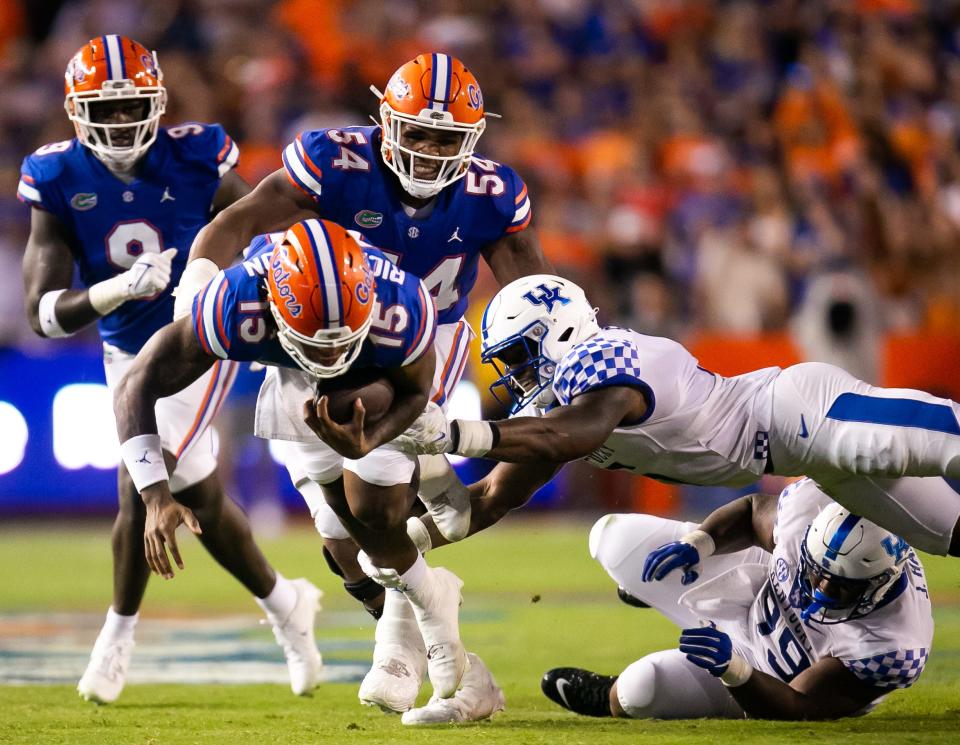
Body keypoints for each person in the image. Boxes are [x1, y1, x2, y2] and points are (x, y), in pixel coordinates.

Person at [170, 53, 552, 714]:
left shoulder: (491, 193)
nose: (431, 152)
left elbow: (534, 290)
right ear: (385, 122)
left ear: (473, 138)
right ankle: (415, 618)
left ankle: (410, 641)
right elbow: (244, 217)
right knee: (342, 540)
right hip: (321, 345)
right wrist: (198, 284)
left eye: (447, 138)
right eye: (420, 133)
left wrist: (553, 362)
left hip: (417, 349)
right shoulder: (336, 162)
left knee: (378, 509)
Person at [19, 36, 318, 704]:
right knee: (200, 494)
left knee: (141, 477)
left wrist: (254, 281)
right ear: (77, 109)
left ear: (156, 101)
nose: (123, 121)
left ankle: (116, 636)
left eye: (133, 105)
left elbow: (258, 222)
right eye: (109, 106)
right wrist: (115, 290)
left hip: (201, 330)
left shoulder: (195, 153)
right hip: (124, 341)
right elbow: (43, 316)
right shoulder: (56, 175)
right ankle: (285, 603)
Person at [113, 217, 471, 702]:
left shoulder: (401, 305)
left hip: (375, 371)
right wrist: (155, 496)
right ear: (273, 311)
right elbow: (137, 383)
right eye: (317, 344)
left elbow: (413, 390)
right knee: (339, 535)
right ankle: (426, 597)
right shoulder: (234, 303)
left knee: (379, 510)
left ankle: (420, 617)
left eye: (337, 341)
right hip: (288, 371)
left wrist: (372, 439)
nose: (329, 357)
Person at [397, 273, 960, 558]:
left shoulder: (604, 357)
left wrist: (454, 434)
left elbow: (578, 431)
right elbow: (495, 497)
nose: (515, 376)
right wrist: (404, 542)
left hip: (800, 413)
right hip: (803, 455)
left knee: (948, 440)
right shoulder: (552, 410)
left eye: (519, 355)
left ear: (559, 330)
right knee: (949, 533)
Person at [539, 478, 932, 720]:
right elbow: (750, 512)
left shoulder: (894, 644)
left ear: (881, 583)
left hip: (768, 672)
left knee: (639, 690)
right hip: (753, 584)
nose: (821, 592)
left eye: (842, 587)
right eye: (817, 574)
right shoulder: (809, 511)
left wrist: (733, 670)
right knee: (610, 536)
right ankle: (675, 590)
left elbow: (798, 705)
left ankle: (608, 694)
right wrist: (700, 543)